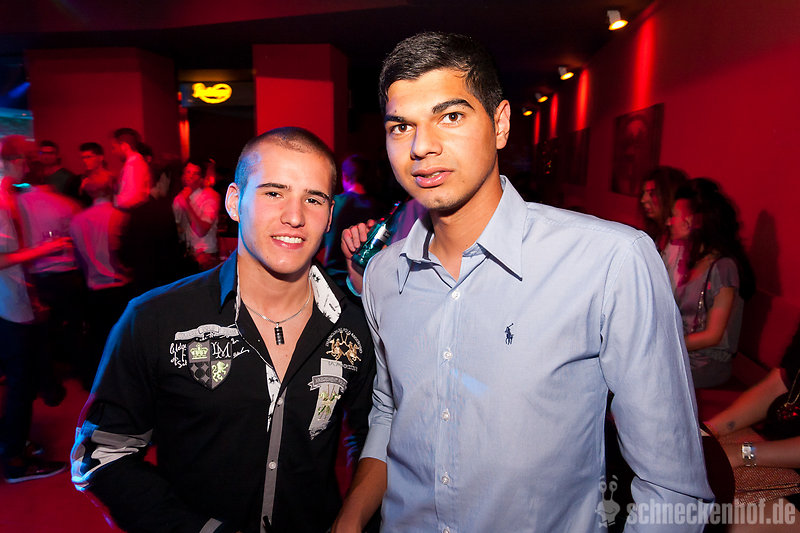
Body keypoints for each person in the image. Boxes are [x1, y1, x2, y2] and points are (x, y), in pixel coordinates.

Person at [334, 32, 712, 532]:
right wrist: (350, 516)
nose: (422, 147)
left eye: (451, 116)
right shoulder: (384, 274)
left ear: (501, 124)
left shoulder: (609, 262)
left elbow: (671, 485)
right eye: (402, 126)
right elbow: (389, 410)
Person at [71, 127, 377, 533]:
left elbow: (373, 432)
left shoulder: (353, 324)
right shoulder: (156, 318)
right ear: (234, 202)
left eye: (313, 198)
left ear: (330, 215)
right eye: (274, 192)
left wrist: (353, 516)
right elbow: (103, 455)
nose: (295, 216)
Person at [0, 134, 69, 483]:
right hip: (6, 307)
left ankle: (14, 443)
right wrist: (47, 249)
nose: (29, 167)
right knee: (21, 382)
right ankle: (15, 460)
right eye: (26, 160)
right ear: (15, 161)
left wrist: (28, 287)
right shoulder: (2, 201)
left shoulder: (8, 198)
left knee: (21, 381)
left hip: (11, 300)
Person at [704, 321, 800, 530]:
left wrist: (742, 454)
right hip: (771, 442)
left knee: (709, 520)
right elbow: (779, 383)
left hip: (790, 472)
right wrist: (711, 429)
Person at [667, 178, 755, 388]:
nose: (669, 222)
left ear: (694, 222)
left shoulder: (723, 267)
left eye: (675, 215)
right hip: (685, 355)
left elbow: (713, 335)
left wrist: (668, 344)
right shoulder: (692, 260)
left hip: (707, 363)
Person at [68, 168, 131, 388]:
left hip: (93, 288)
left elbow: (79, 259)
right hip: (118, 286)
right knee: (122, 340)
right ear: (112, 187)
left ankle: (98, 384)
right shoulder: (120, 217)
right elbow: (122, 255)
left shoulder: (77, 221)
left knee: (98, 338)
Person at [321, 154, 384, 291]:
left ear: (344, 176)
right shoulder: (380, 208)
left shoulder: (333, 204)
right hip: (365, 283)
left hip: (332, 281)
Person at [172, 158, 220, 271]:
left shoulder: (210, 196)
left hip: (206, 256)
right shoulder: (178, 199)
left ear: (201, 178)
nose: (190, 176)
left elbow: (201, 231)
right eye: (188, 172)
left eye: (195, 173)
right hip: (187, 256)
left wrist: (187, 203)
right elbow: (178, 229)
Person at [111, 128, 150, 209]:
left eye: (114, 147)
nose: (113, 152)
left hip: (135, 214)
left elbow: (132, 198)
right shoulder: (135, 163)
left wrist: (108, 200)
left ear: (124, 146)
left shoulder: (133, 165)